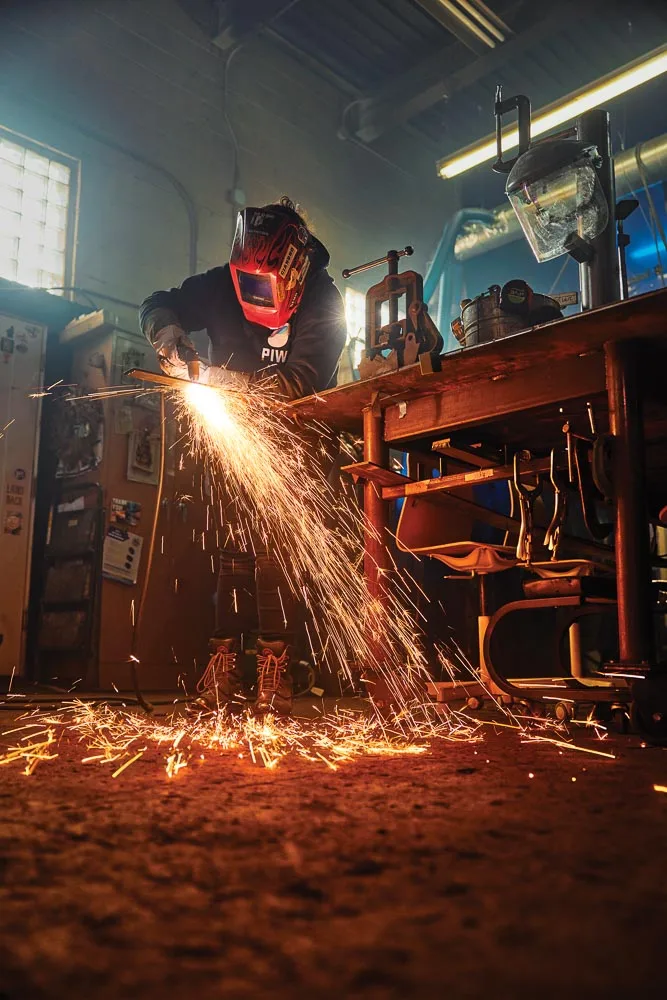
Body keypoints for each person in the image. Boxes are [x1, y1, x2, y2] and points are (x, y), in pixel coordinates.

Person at [140, 197, 347, 716]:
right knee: (230, 548)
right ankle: (223, 660)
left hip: (295, 443)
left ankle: (276, 663)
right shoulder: (221, 283)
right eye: (245, 283)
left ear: (294, 274)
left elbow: (301, 380)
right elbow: (156, 302)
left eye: (266, 286)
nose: (253, 295)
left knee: (275, 553)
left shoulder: (323, 300)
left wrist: (221, 381)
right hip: (231, 441)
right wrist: (169, 337)